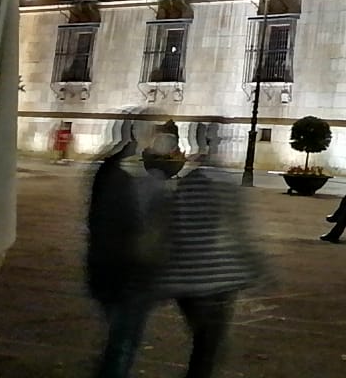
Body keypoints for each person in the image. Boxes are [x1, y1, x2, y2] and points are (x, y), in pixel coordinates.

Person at [157, 120, 265, 377]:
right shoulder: (224, 184)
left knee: (204, 348)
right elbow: (238, 231)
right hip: (214, 283)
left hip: (186, 283)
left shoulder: (185, 183)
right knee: (208, 350)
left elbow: (171, 228)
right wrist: (258, 269)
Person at [86, 118, 171, 378]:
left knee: (120, 339)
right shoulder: (120, 175)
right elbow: (123, 226)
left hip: (109, 269)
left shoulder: (109, 170)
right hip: (124, 273)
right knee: (123, 342)